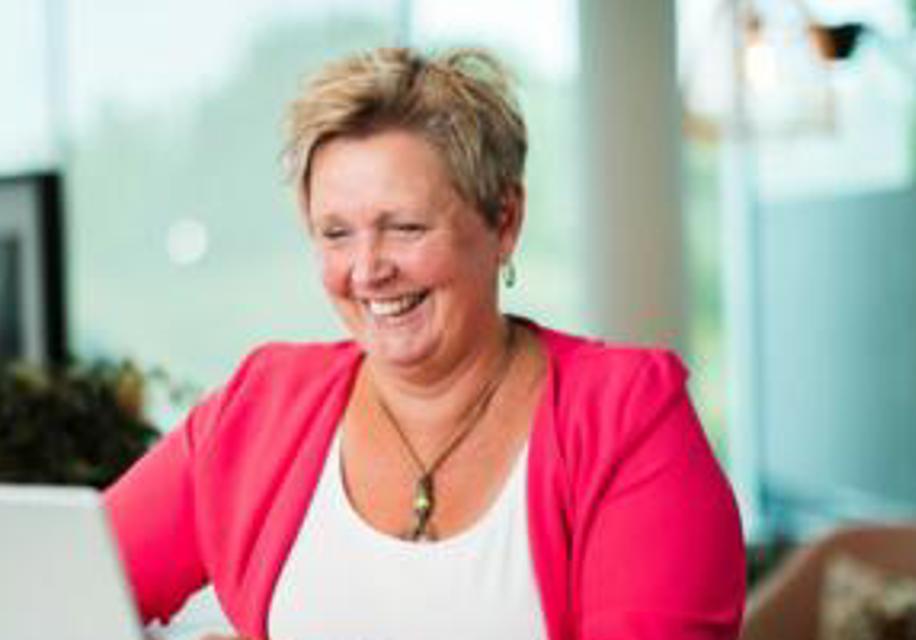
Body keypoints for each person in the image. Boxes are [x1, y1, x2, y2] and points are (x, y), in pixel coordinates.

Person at [103, 47, 745, 640]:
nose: (367, 270)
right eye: (336, 234)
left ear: (504, 220)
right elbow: (66, 593)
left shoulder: (627, 416)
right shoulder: (258, 406)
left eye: (406, 227)